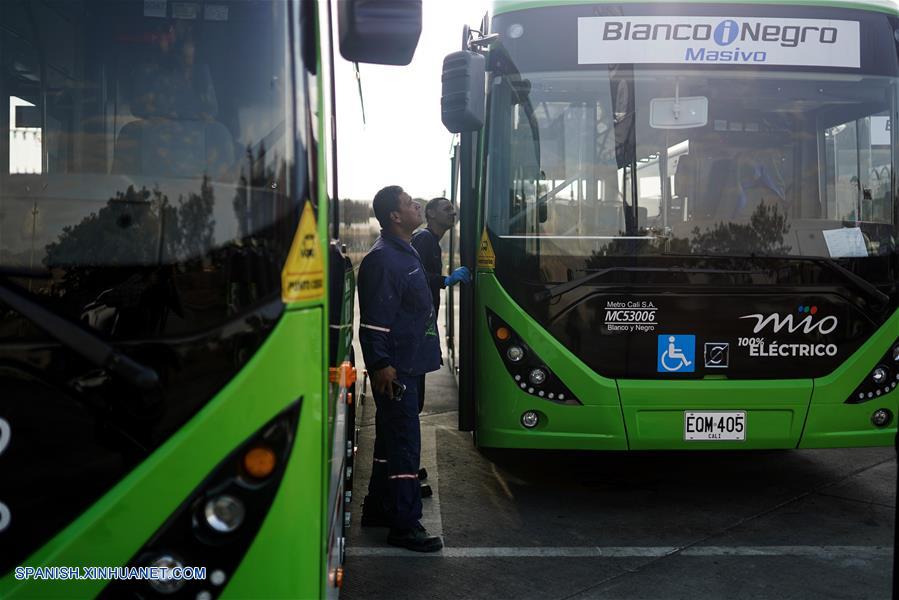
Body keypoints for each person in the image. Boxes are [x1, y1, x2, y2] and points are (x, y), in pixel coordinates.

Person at [358, 185, 443, 552]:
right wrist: (380, 364)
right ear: (395, 216)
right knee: (405, 444)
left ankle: (378, 508)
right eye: (410, 204)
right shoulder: (383, 259)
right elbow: (374, 323)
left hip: (408, 363)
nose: (417, 206)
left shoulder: (403, 252)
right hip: (396, 368)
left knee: (389, 442)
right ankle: (405, 525)